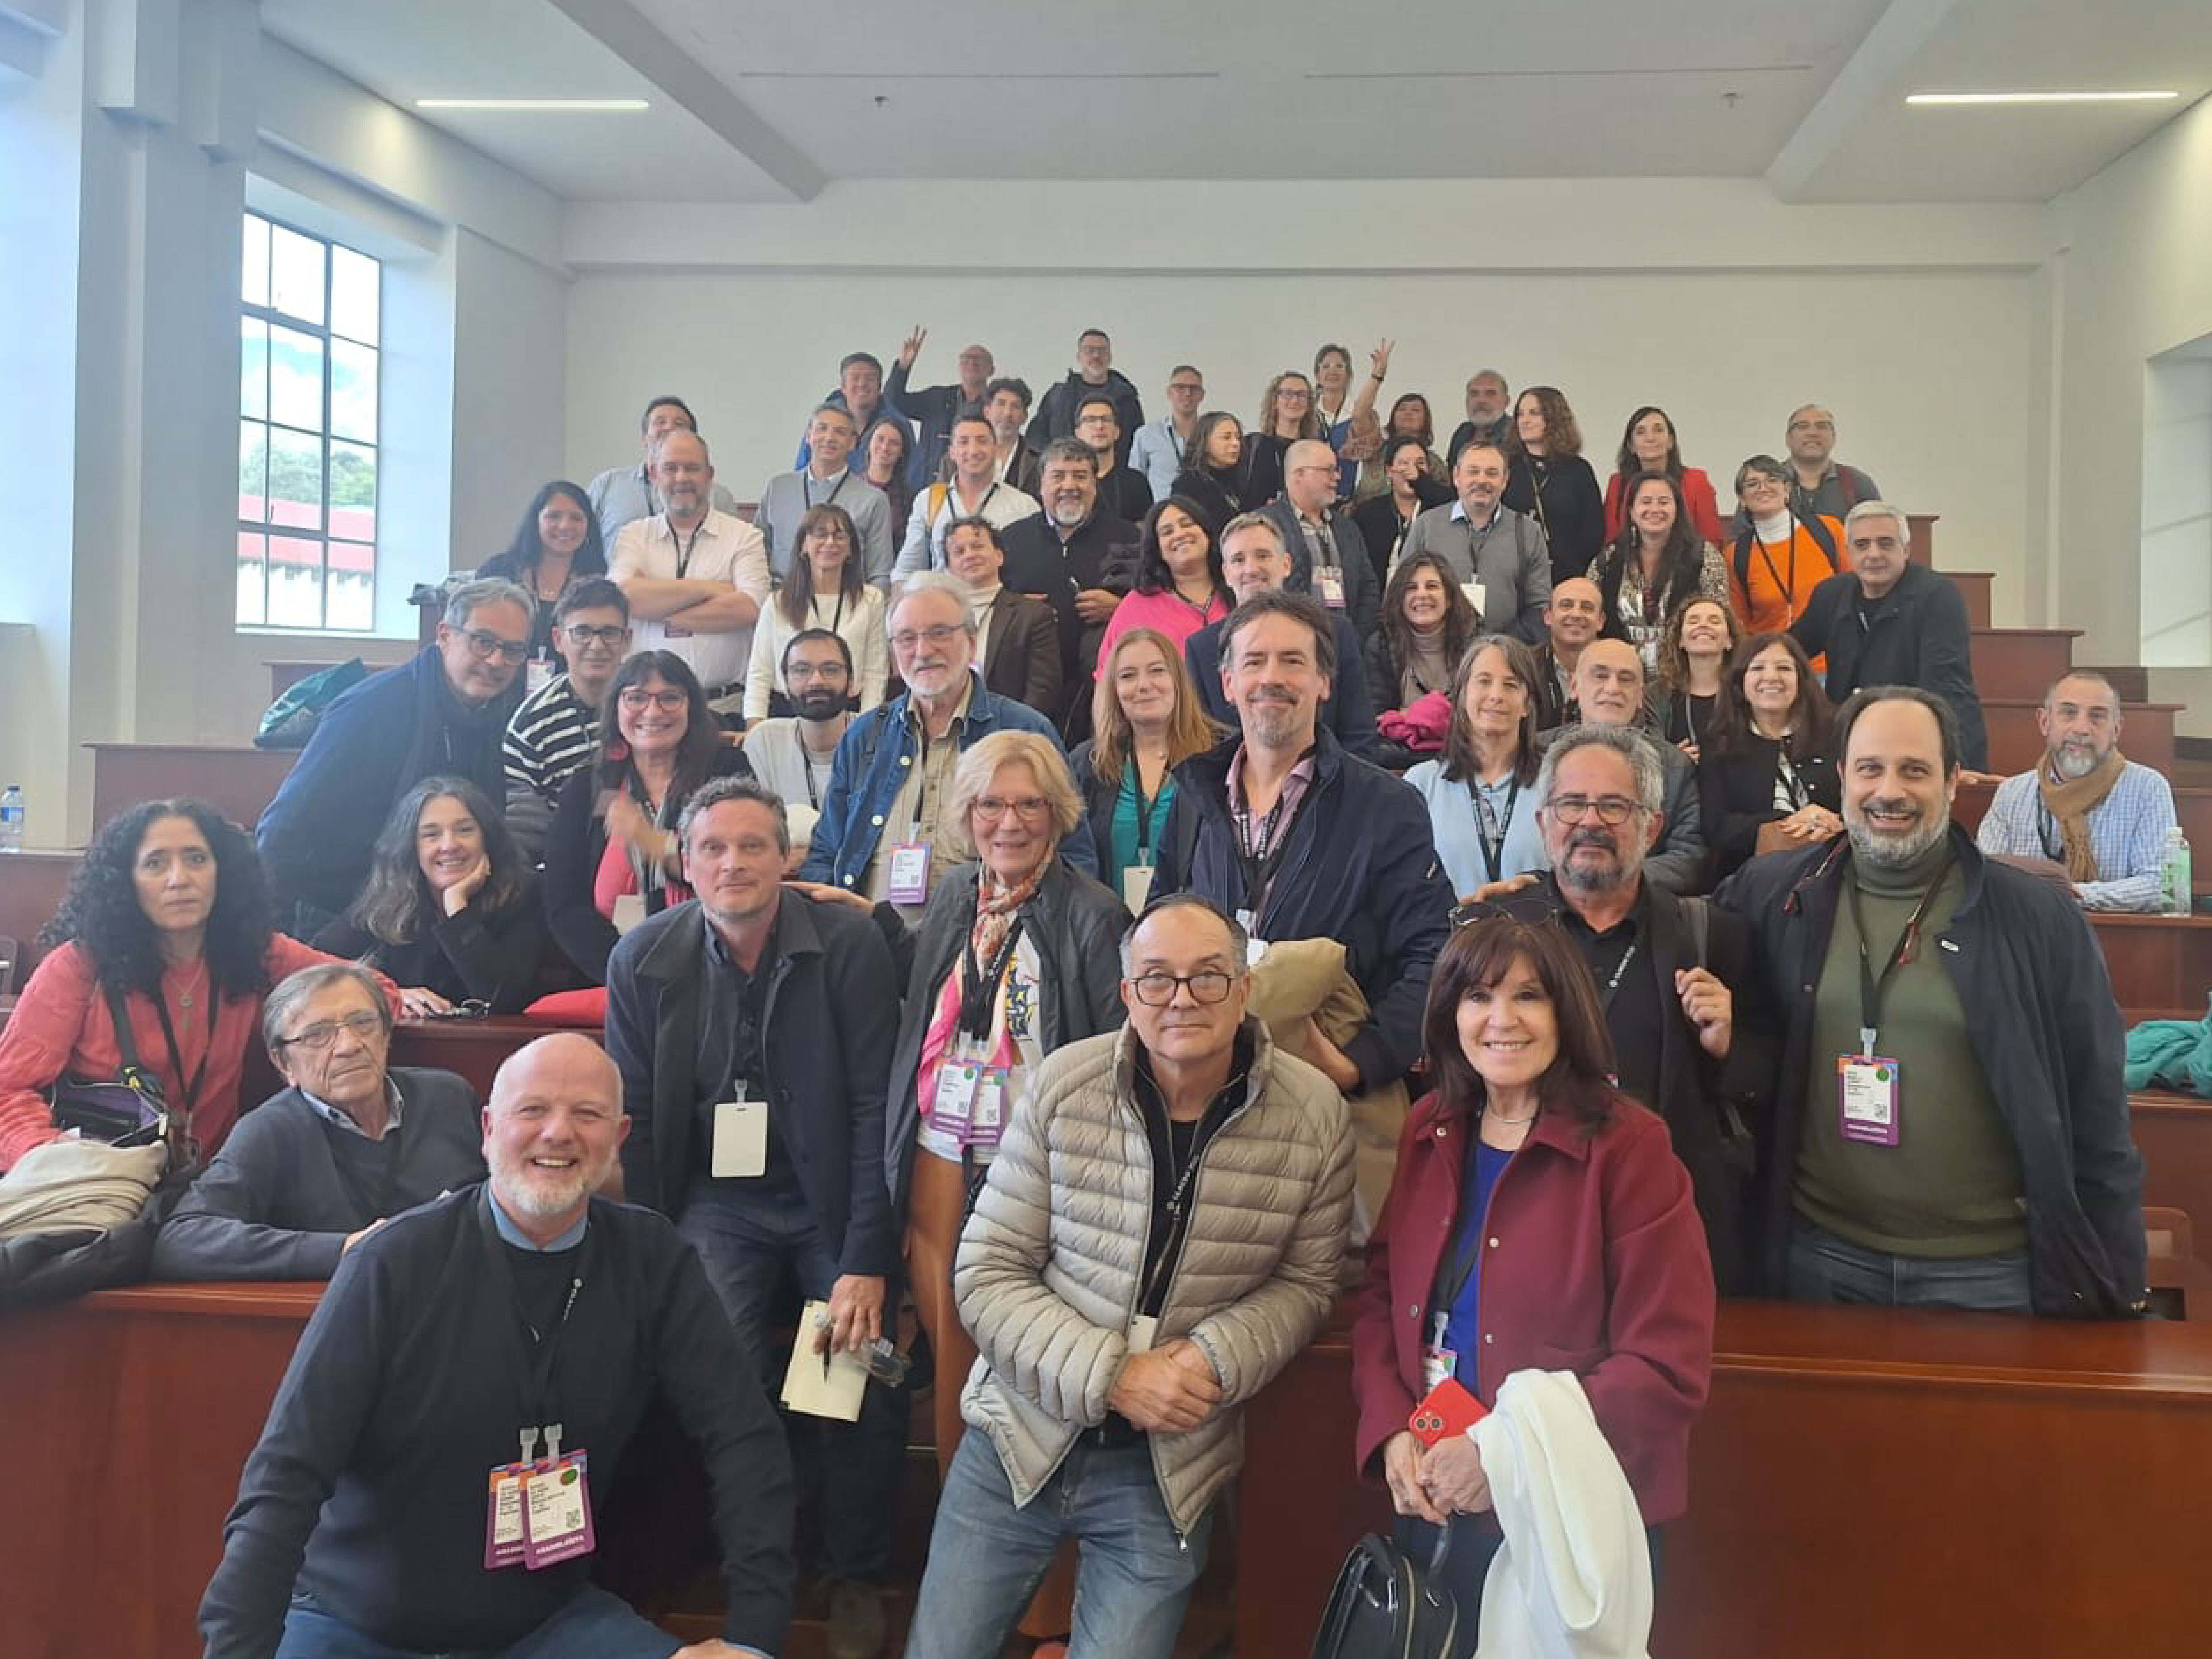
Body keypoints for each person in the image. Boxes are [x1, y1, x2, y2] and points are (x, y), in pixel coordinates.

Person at [196, 1033, 796, 1659]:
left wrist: (752, 1637)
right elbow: (286, 1475)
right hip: (355, 1621)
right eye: (532, 1109)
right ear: (487, 1128)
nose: (558, 1132)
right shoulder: (394, 1261)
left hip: (547, 1623)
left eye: (587, 1114)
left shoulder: (653, 1259)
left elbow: (742, 1437)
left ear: (619, 1138)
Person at [903, 895, 1353, 1659]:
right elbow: (985, 1271)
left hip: (1169, 1465)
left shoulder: (1314, 1114)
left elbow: (1309, 1285)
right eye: (1157, 979)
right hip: (1019, 1434)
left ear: (1246, 989)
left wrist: (1213, 1355)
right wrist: (1113, 1375)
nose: (1181, 999)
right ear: (1127, 996)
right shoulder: (1061, 1087)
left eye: (1208, 977)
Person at [1715, 687, 2147, 1315]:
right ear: (1841, 778)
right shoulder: (1773, 894)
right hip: (1819, 1258)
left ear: (1953, 783)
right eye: (1870, 768)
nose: (1889, 790)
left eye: (1914, 770)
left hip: (1989, 1273)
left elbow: (2099, 1113)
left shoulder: (2038, 918)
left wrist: (2120, 1284)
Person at [607, 776, 904, 1659]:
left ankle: (853, 1569)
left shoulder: (847, 943)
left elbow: (870, 1114)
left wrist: (864, 1256)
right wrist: (653, 1260)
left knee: (854, 1371)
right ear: (685, 864)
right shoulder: (643, 960)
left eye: (751, 846)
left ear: (788, 858)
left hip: (828, 1206)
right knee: (717, 1369)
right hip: (716, 1208)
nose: (732, 863)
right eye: (712, 848)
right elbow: (641, 1128)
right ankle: (753, 1561)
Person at [1350, 915, 1715, 1625]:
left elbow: (1667, 1364)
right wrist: (1393, 1428)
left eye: (1528, 996)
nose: (1501, 1020)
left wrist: (1503, 1456)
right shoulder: (1431, 1126)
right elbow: (1380, 1296)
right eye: (1478, 996)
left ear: (1567, 1011)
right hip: (1437, 1497)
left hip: (1573, 1513)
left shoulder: (1631, 1147)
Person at [873, 731, 1130, 1502]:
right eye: (991, 804)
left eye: (1028, 804)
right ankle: (967, 1529)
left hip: (1037, 1166)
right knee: (953, 1348)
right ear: (967, 812)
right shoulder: (955, 896)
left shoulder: (1095, 914)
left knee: (1032, 1354)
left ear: (1058, 814)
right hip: (941, 1150)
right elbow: (927, 1013)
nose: (1009, 822)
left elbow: (1103, 1064)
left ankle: (1047, 1588)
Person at [1464, 724, 1774, 1287]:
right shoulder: (1495, 933)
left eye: (1613, 806)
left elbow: (1766, 1074)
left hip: (1661, 1221)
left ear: (1651, 827)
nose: (1590, 822)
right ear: (1543, 822)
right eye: (1572, 804)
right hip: (1520, 1215)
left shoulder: (1712, 935)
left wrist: (1725, 1044)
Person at [1152, 591, 1454, 1112]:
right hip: (1202, 1090)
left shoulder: (1386, 806)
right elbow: (1156, 923)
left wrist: (1360, 1061)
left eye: (1293, 661)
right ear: (1227, 683)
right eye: (1253, 661)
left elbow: (1433, 952)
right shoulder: (1191, 796)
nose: (1271, 677)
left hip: (1323, 1102)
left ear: (1324, 682)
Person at [0, 800, 396, 1172]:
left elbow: (371, 990)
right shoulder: (79, 965)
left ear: (222, 873)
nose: (180, 880)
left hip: (208, 1189)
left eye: (197, 859)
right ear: (125, 883)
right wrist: (52, 1157)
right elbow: (7, 1091)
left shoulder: (257, 950)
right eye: (156, 864)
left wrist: (392, 999)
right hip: (97, 1185)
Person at [150, 963, 484, 1282]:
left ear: (386, 1036)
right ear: (284, 1064)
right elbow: (182, 1239)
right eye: (317, 1035)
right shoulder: (270, 1131)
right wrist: (342, 1249)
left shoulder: (448, 1098)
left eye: (363, 1023)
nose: (349, 1046)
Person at [798, 573, 1091, 915]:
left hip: (986, 951)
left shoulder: (1024, 730)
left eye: (939, 633)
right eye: (907, 638)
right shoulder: (865, 736)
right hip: (872, 947)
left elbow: (1075, 858)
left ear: (971, 639)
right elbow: (826, 853)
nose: (923, 651)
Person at [257, 578, 535, 937]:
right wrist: (272, 946)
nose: (496, 661)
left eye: (513, 650)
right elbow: (283, 829)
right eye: (483, 642)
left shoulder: (492, 713)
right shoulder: (372, 708)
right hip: (339, 917)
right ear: (445, 635)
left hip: (423, 915)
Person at [544, 652, 753, 986]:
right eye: (636, 698)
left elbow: (737, 871)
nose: (653, 712)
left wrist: (653, 843)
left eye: (670, 698)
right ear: (616, 709)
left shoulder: (725, 773)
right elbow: (564, 904)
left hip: (713, 969)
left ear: (692, 709)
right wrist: (624, 970)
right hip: (610, 973)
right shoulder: (588, 788)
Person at [314, 776, 549, 1016]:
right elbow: (313, 970)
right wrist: (388, 994)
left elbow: (505, 997)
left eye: (465, 831)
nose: (449, 845)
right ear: (410, 847)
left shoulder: (526, 894)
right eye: (431, 835)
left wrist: (457, 910)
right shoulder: (388, 898)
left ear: (487, 840)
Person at [1790, 500, 1989, 772]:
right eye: (1862, 545)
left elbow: (1944, 688)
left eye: (1885, 544)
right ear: (1848, 552)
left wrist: (1953, 764)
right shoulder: (1831, 594)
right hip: (1850, 742)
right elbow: (1790, 651)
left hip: (1916, 741)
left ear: (1906, 550)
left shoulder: (1938, 596)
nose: (1873, 554)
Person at [1974, 671, 2181, 911]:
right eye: (2069, 713)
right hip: (2027, 936)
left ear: (2116, 730)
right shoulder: (2011, 794)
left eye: (2097, 717)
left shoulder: (2148, 788)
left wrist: (2075, 895)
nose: (2082, 728)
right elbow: (1984, 876)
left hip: (2111, 940)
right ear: (2044, 722)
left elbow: (2161, 886)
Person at [1181, 512, 1379, 758]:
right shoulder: (1201, 649)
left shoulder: (1335, 632)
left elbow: (1359, 735)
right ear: (1226, 573)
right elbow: (1201, 744)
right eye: (1239, 560)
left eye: (1263, 555)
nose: (1251, 569)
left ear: (1286, 564)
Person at [608, 428, 771, 718]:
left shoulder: (745, 537)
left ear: (710, 475)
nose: (682, 478)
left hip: (723, 707)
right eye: (671, 468)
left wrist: (654, 606)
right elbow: (622, 598)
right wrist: (713, 589)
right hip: (647, 710)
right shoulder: (634, 535)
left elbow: (750, 607)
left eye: (692, 468)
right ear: (655, 474)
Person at [1071, 629, 1221, 908]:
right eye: (1128, 676)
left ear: (1178, 680)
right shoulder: (1088, 765)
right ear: (1113, 690)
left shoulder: (1220, 757)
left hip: (1197, 930)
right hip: (1111, 934)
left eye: (1157, 671)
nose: (1143, 685)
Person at [1555, 640, 1709, 895]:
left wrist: (1607, 878)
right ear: (1574, 686)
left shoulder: (1674, 766)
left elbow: (1689, 858)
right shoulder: (1536, 754)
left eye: (1626, 679)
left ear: (1640, 696)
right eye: (1600, 675)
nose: (1613, 688)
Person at [1405, 636, 1549, 901]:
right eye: (1484, 682)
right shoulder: (1420, 783)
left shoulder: (1557, 782)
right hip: (1447, 939)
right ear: (1461, 696)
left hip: (1536, 936)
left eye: (1511, 685)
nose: (1496, 696)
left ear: (1528, 704)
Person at [997, 438, 1141, 703]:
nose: (1070, 486)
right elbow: (988, 603)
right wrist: (1015, 608)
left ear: (1095, 484)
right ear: (1041, 484)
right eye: (1058, 476)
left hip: (1105, 689)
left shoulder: (1129, 538)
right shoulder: (1011, 540)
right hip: (1027, 688)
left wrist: (1121, 608)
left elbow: (1154, 605)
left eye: (1080, 476)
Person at [503, 577, 632, 864]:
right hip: (564, 866)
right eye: (582, 632)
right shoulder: (530, 727)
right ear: (558, 640)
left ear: (627, 640)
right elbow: (525, 833)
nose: (597, 645)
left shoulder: (652, 709)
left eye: (610, 633)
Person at [1697, 633, 1842, 883]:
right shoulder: (1719, 743)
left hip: (1833, 867)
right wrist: (1788, 822)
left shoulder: (1835, 733)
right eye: (1758, 668)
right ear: (1741, 682)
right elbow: (1716, 826)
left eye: (1784, 668)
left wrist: (1834, 821)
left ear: (1801, 679)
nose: (1771, 677)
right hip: (1752, 877)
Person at [741, 503, 889, 722]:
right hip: (788, 713)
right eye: (820, 535)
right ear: (803, 545)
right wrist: (755, 723)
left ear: (851, 550)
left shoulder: (871, 600)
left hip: (848, 714)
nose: (830, 543)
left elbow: (875, 673)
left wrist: (867, 728)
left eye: (839, 536)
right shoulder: (778, 602)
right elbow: (760, 672)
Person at [1398, 441, 1552, 643]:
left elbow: (1539, 606)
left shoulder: (1528, 532)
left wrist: (1501, 648)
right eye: (1473, 472)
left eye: (1491, 473)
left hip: (1505, 657)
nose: (1482, 480)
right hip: (1436, 652)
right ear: (1457, 477)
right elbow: (1401, 591)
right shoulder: (1427, 526)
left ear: (1505, 481)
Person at [1587, 472, 1731, 674]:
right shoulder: (1608, 561)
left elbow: (1720, 619)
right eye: (1646, 502)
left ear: (1677, 509)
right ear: (1631, 511)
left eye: (1664, 502)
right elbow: (1591, 615)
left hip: (1684, 677)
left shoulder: (1704, 558)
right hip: (1620, 676)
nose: (1655, 510)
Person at [753, 404, 895, 588]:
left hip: (846, 605)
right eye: (822, 429)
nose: (829, 438)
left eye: (840, 432)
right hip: (781, 599)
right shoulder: (777, 489)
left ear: (853, 443)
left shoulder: (873, 500)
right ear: (808, 436)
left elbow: (880, 574)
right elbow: (756, 555)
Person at [937, 516, 1064, 718]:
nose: (970, 556)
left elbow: (1043, 689)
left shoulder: (1033, 615)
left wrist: (1008, 734)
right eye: (959, 552)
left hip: (1011, 731)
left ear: (999, 556)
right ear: (948, 569)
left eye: (978, 547)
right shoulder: (939, 619)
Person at [738, 630, 856, 847]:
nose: (816, 681)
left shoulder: (881, 737)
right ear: (785, 683)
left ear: (852, 683)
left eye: (831, 670)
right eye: (802, 671)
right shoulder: (765, 741)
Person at [892, 412, 1041, 578]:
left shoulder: (1025, 506)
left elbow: (1035, 569)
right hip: (944, 600)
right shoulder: (929, 500)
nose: (973, 450)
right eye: (964, 442)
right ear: (952, 453)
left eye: (982, 441)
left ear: (996, 449)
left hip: (1001, 600)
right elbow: (906, 571)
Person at [1262, 437, 1382, 641]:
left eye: (1337, 470)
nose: (1336, 477)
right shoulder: (1264, 526)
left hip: (1346, 645)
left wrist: (1356, 636)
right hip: (1288, 643)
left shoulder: (1348, 528)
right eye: (1328, 470)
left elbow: (1368, 586)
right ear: (1298, 474)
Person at [476, 481, 609, 664]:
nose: (565, 526)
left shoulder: (599, 580)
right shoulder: (499, 571)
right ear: (536, 521)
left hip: (570, 686)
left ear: (589, 527)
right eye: (554, 517)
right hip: (500, 677)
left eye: (576, 518)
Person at [1097, 496, 1232, 672]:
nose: (1180, 534)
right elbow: (1106, 675)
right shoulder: (1136, 606)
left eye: (1187, 524)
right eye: (1167, 532)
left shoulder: (1238, 587)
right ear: (1157, 549)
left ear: (1207, 532)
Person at [585, 394, 742, 543]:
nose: (670, 428)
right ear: (644, 437)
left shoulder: (719, 497)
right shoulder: (608, 485)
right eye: (661, 422)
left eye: (680, 424)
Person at [1725, 454, 1846, 640]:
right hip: (1771, 662)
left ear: (1787, 490)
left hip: (1830, 660)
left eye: (1772, 480)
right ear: (1742, 500)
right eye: (1752, 484)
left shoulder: (1829, 530)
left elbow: (1854, 590)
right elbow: (1740, 624)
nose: (1763, 489)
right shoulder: (1736, 554)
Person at [1503, 386, 1605, 591]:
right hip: (1513, 576)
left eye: (1535, 413)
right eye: (1520, 414)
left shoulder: (1578, 470)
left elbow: (1593, 530)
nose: (1525, 420)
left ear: (1554, 419)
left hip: (1566, 575)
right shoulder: (1507, 466)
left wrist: (1573, 564)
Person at [1364, 550, 1480, 726]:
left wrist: (1410, 715)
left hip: (1464, 749)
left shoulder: (1478, 646)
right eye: (1411, 588)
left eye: (1432, 586)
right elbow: (1378, 719)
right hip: (1400, 750)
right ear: (1400, 599)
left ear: (1449, 598)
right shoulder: (1380, 646)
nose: (1422, 595)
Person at [1602, 405, 1725, 548]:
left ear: (1671, 441)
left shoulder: (1697, 481)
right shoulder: (1617, 484)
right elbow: (1611, 541)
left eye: (1658, 430)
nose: (1650, 438)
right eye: (1641, 432)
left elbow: (1711, 541)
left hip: (1688, 565)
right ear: (1631, 446)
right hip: (1630, 566)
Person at [886, 328, 995, 488]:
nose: (972, 363)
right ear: (959, 366)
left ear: (992, 370)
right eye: (966, 359)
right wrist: (903, 367)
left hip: (976, 485)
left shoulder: (997, 405)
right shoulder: (937, 398)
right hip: (929, 484)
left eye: (979, 360)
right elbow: (893, 402)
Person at [1028, 328, 1144, 465]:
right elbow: (1035, 436)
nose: (1096, 356)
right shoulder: (1058, 396)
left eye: (1102, 351)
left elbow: (1138, 443)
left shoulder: (1127, 398)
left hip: (1116, 479)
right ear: (1079, 357)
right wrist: (1056, 460)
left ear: (1110, 357)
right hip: (1066, 475)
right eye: (1089, 350)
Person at [1351, 432, 1454, 582]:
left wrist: (1420, 483)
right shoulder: (1367, 514)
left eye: (1420, 464)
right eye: (1404, 464)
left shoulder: (1440, 510)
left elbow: (1456, 503)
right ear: (1389, 471)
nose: (1412, 472)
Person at [794, 349, 912, 474]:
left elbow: (913, 475)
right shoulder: (823, 421)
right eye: (855, 378)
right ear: (843, 387)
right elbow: (802, 471)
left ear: (879, 387)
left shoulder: (898, 426)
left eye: (870, 379)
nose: (862, 384)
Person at [1652, 596, 1742, 759]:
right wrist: (1673, 758)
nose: (1703, 626)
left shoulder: (1746, 693)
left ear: (1729, 641)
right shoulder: (1659, 695)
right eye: (1693, 621)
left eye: (1714, 621)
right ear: (1680, 641)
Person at [1782, 404, 1882, 526]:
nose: (1813, 433)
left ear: (1834, 437)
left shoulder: (1857, 483)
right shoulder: (1768, 482)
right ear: (1788, 439)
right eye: (1803, 427)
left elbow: (1877, 531)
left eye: (1822, 426)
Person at [1529, 576, 1604, 731]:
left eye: (1587, 608)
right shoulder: (1525, 667)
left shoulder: (1620, 668)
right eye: (1566, 605)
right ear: (1548, 616)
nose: (1577, 615)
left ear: (1601, 621)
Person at [1241, 369, 1323, 507]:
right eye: (1288, 394)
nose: (1295, 400)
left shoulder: (1316, 451)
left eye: (1302, 395)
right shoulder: (1253, 446)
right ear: (1275, 402)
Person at [1130, 365, 1207, 502]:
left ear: (1202, 396)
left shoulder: (1211, 434)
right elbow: (1135, 482)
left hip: (1204, 514)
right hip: (1161, 516)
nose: (1188, 393)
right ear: (1169, 393)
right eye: (1180, 388)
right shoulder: (1146, 434)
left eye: (1194, 389)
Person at [1075, 393, 1154, 524]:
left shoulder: (1136, 482)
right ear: (1078, 433)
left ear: (1117, 432)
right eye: (1091, 420)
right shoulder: (1069, 483)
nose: (1100, 426)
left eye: (1106, 419)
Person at [1351, 395, 1448, 503]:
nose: (1408, 413)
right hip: (1366, 514)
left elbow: (1445, 499)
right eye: (1402, 409)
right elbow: (1360, 415)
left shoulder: (1434, 462)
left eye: (1415, 410)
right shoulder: (1374, 449)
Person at [1171, 410, 1251, 532]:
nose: (1236, 443)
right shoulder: (1187, 486)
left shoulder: (1244, 479)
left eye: (1238, 438)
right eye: (1226, 438)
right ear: (1205, 443)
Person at [860, 418, 917, 550]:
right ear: (869, 443)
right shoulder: (848, 488)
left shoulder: (910, 498)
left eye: (894, 443)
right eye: (880, 439)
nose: (885, 448)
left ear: (902, 452)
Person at [982, 376, 1043, 494]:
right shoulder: (961, 455)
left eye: (1015, 406)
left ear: (1025, 417)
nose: (1007, 414)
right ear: (987, 412)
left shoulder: (1038, 459)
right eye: (1001, 404)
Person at [1444, 368, 1512, 467]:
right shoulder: (1462, 432)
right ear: (1466, 401)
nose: (1481, 400)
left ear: (1507, 401)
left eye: (1490, 394)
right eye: (1474, 394)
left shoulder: (1516, 434)